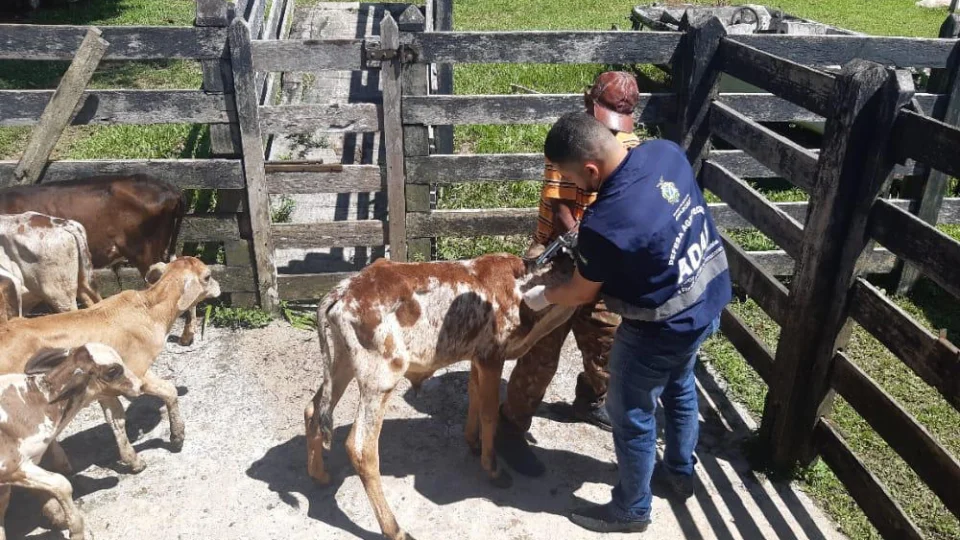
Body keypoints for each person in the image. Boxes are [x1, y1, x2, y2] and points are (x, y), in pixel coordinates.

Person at [523, 112, 731, 533]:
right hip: (707, 297)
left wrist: (544, 295)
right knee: (680, 387)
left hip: (661, 326)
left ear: (590, 169)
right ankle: (678, 473)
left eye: (574, 178)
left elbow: (582, 293)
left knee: (632, 414)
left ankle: (632, 509)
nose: (576, 188)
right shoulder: (665, 152)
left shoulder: (605, 223)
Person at [496, 71, 642, 478]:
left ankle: (590, 399)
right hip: (560, 253)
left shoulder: (631, 145)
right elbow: (559, 203)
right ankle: (511, 425)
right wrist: (579, 239)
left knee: (608, 343)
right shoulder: (568, 140)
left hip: (602, 259)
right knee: (541, 348)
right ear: (588, 103)